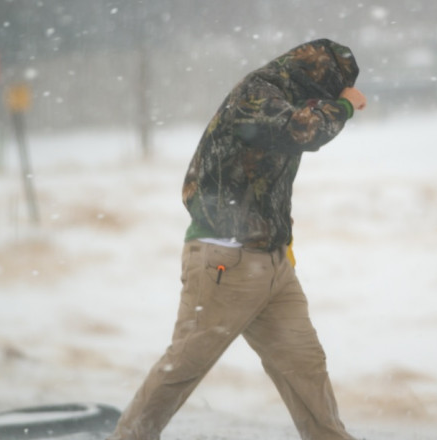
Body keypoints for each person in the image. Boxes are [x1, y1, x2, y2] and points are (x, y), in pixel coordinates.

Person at [107, 38, 367, 440]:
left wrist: (284, 247)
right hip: (225, 260)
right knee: (186, 364)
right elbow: (303, 132)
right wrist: (346, 105)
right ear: (315, 79)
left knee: (305, 366)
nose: (325, 103)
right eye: (327, 93)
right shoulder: (257, 94)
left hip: (274, 264)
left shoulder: (288, 99)